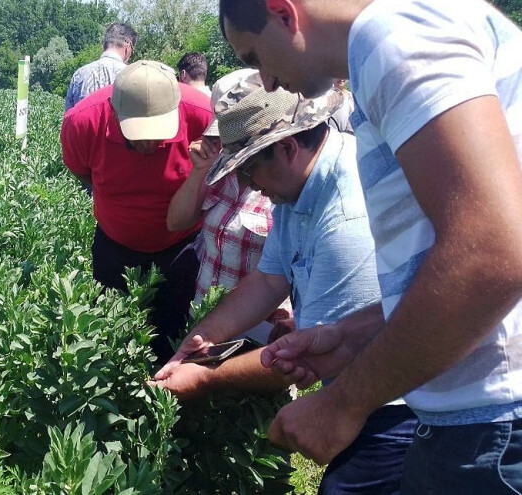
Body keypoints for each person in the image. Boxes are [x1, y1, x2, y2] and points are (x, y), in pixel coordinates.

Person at [218, 0, 522, 492]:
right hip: (475, 424)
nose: (267, 83)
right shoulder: (407, 32)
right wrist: (352, 335)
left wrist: (343, 404)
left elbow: (491, 253)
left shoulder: (394, 36)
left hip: (494, 428)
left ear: (282, 11)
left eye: (254, 57)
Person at [153, 75, 416, 493]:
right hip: (359, 387)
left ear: (288, 148)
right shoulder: (297, 188)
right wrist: (199, 340)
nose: (245, 184)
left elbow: (311, 356)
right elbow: (267, 279)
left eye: (248, 168)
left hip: (397, 407)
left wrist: (203, 378)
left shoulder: (346, 218)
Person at [60, 60, 212, 364]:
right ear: (115, 112)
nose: (148, 143)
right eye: (138, 133)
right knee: (109, 337)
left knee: (173, 339)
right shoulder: (82, 122)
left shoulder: (204, 115)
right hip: (113, 247)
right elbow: (81, 172)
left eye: (157, 132)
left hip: (182, 246)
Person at [167, 68, 290, 346]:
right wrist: (199, 171)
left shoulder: (283, 185)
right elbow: (176, 222)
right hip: (205, 316)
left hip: (261, 330)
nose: (224, 143)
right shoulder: (218, 169)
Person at [64, 22, 137, 112]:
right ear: (128, 46)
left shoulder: (79, 74)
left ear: (104, 44)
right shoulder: (131, 76)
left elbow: (69, 115)